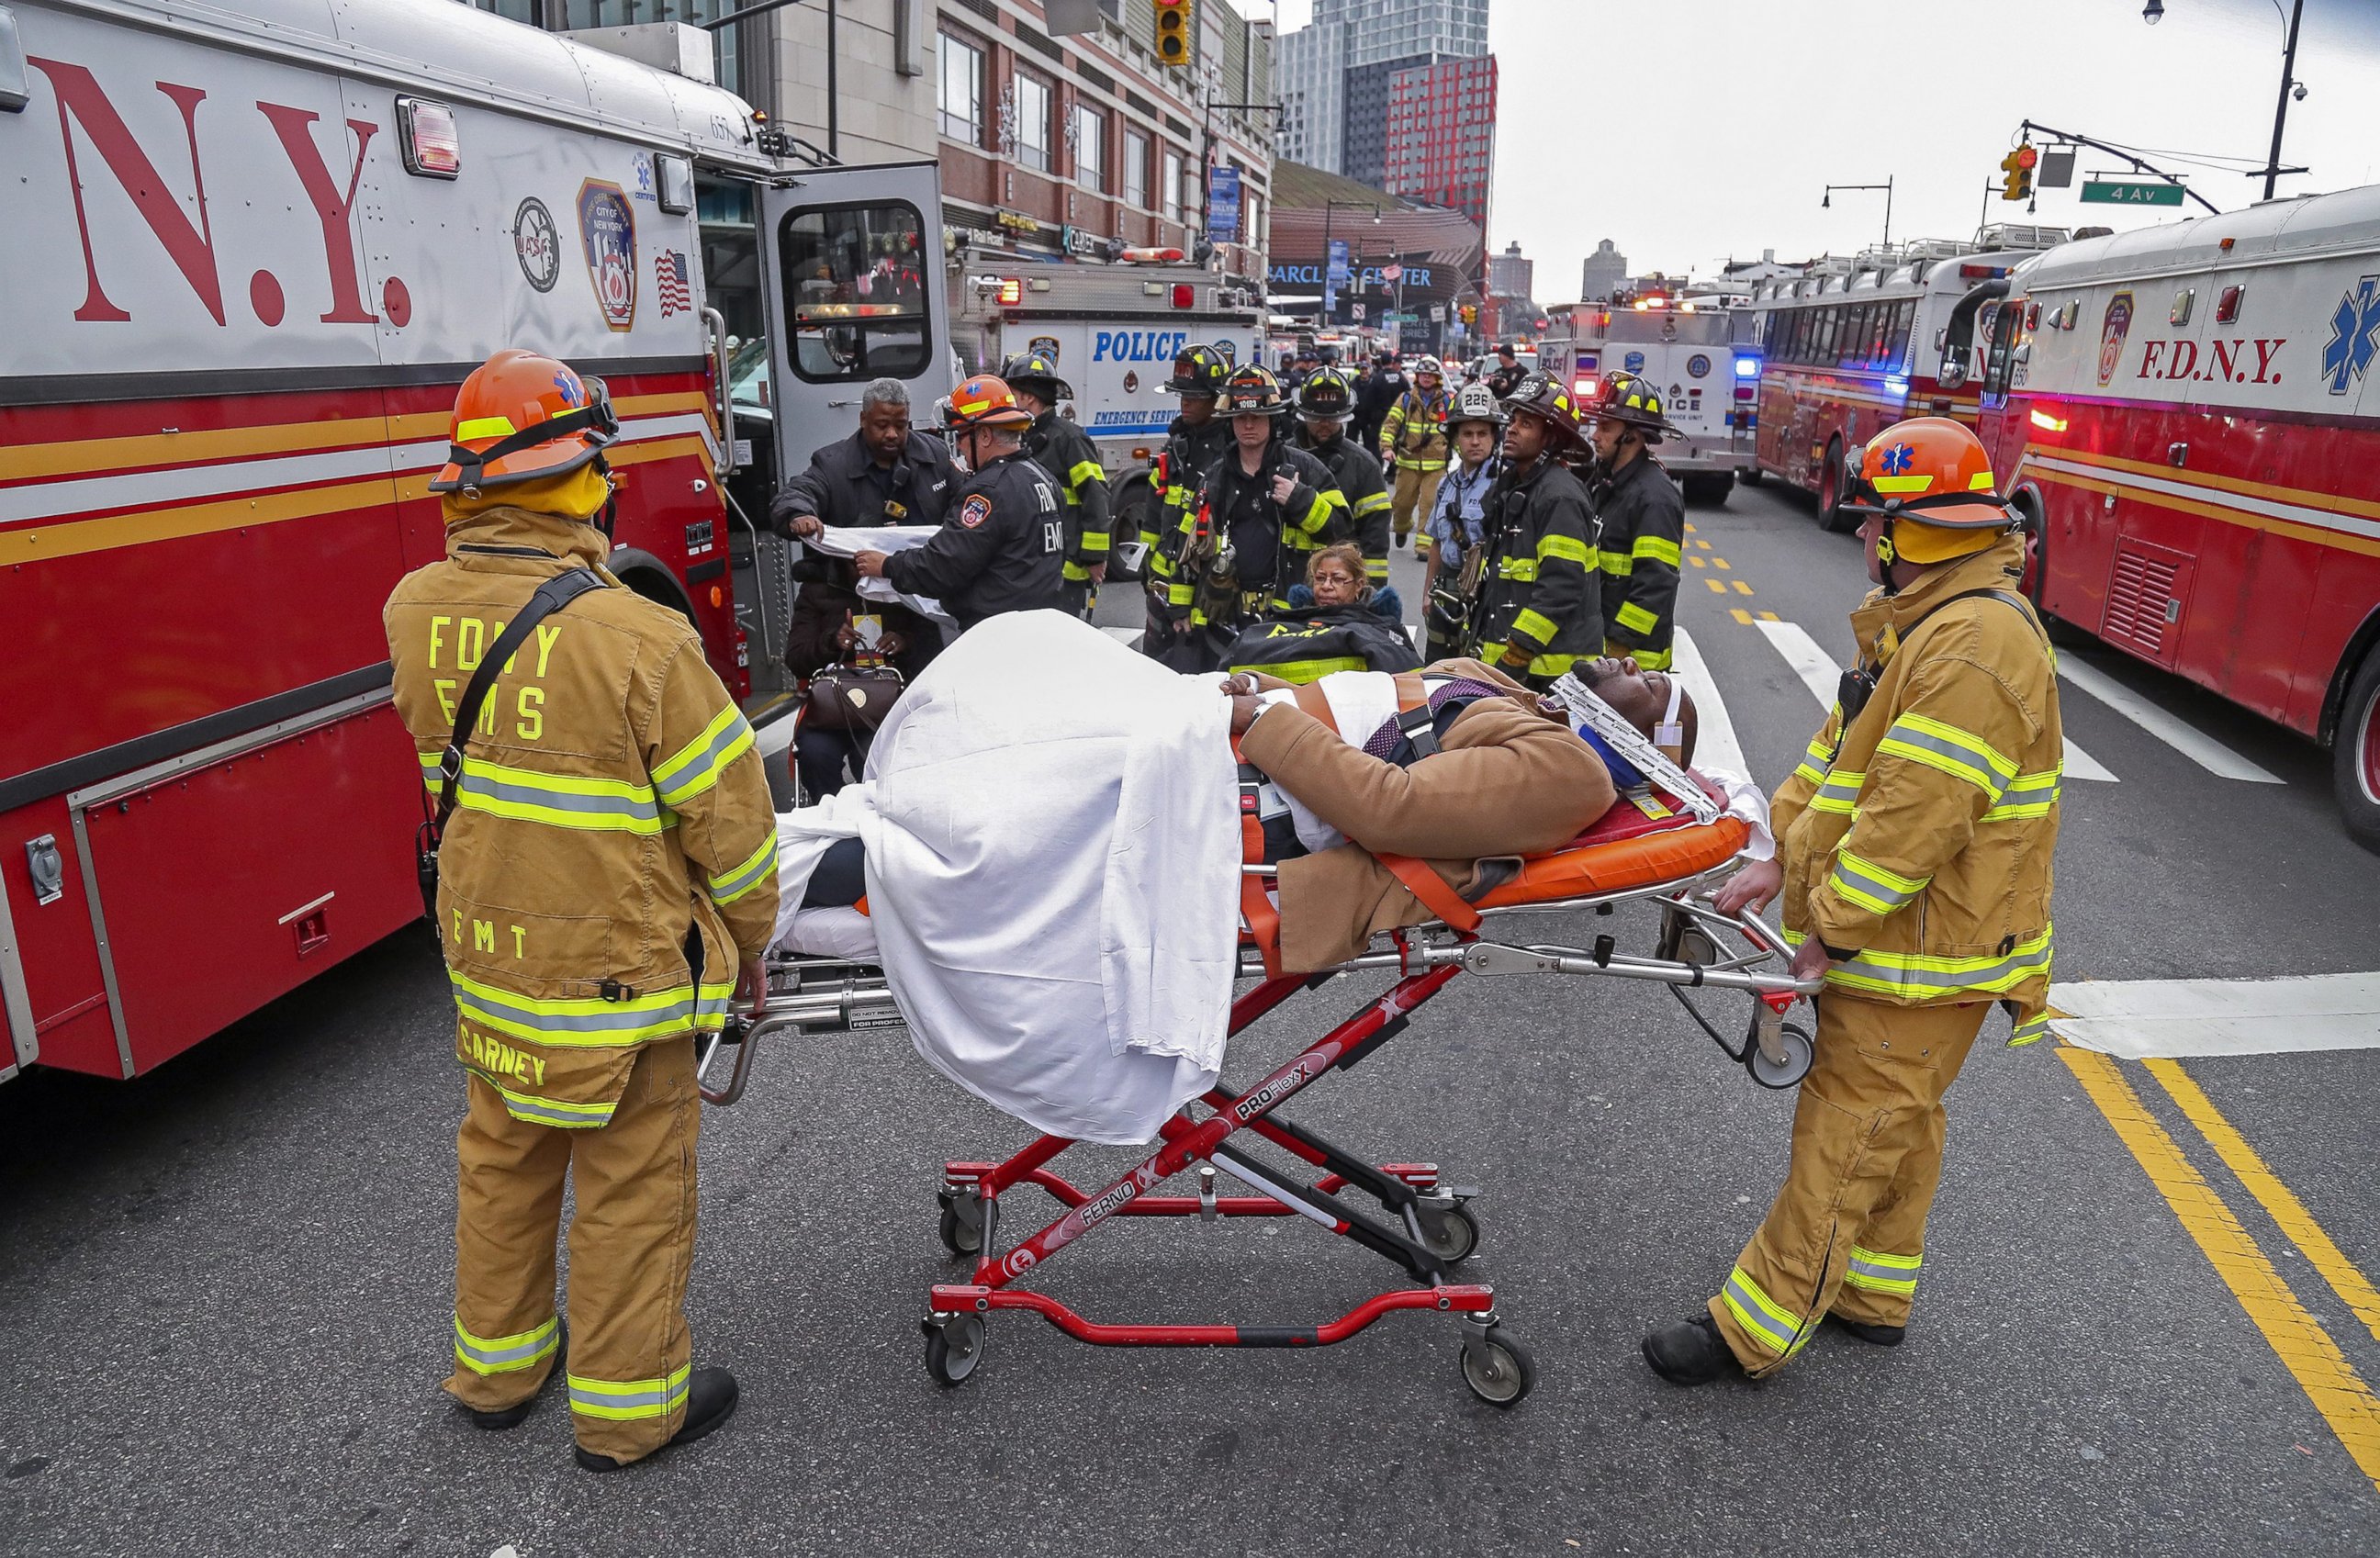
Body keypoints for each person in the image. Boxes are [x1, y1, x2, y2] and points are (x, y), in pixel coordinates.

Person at [384, 349, 778, 1472]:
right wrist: (750, 942)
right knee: (629, 1187)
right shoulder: (642, 638)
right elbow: (733, 827)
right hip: (620, 977)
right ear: (578, 478)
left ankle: (497, 1372)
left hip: (490, 958)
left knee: (502, 1161)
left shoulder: (414, 606)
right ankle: (627, 1411)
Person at [1642, 417, 2063, 1387]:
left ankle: (1753, 1329)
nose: (1865, 536)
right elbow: (1837, 770)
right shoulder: (1921, 624)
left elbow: (1910, 823)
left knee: (1852, 1129)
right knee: (1900, 1120)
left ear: (1913, 530)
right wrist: (1776, 862)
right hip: (1920, 944)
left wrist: (1826, 927)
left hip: (1923, 953)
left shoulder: (1971, 647)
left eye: (1878, 520)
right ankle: (1874, 1294)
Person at [773, 377, 953, 793]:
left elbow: (966, 507)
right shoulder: (833, 464)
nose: (892, 434)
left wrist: (906, 640)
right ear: (862, 421)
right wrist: (800, 514)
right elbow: (797, 493)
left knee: (890, 752)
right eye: (881, 425)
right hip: (841, 629)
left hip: (911, 603)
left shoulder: (936, 460)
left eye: (901, 425)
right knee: (820, 753)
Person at [1148, 365, 1346, 671]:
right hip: (1223, 618)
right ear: (1230, 422)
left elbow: (1341, 532)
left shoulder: (1305, 470)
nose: (1248, 426)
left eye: (1256, 418)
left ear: (1273, 420)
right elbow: (1189, 549)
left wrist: (1300, 500)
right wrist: (1179, 608)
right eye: (1241, 418)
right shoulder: (1215, 478)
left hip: (1288, 619)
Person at [853, 375, 1065, 629]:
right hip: (1042, 623)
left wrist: (886, 565)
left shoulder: (987, 491)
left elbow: (943, 567)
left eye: (962, 436)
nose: (961, 447)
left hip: (996, 631)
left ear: (984, 436)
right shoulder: (1042, 476)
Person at [1462, 373, 1603, 689]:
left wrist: (1518, 653)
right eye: (1513, 420)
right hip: (1514, 666)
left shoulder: (1560, 496)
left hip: (1549, 673)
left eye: (1526, 424)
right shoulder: (1514, 487)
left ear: (1551, 439)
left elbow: (1561, 585)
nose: (1511, 429)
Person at [1583, 371, 1687, 671]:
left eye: (1605, 427)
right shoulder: (1609, 484)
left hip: (1636, 667)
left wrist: (1619, 646)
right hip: (1605, 655)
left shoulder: (1654, 497)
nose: (1594, 435)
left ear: (1632, 434)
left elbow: (1656, 582)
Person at [1002, 351, 1112, 620]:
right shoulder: (1021, 436)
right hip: (1029, 568)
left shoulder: (1068, 439)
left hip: (1066, 571)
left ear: (1028, 396)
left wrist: (1095, 557)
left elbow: (1096, 495)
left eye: (1012, 393)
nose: (1007, 400)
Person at [1140, 344, 1239, 644]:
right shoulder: (1176, 446)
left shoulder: (1230, 453)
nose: (1186, 403)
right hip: (1161, 589)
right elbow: (1154, 512)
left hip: (1206, 591)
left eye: (1195, 397)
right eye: (1182, 395)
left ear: (1217, 399)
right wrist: (1148, 565)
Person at [1219, 542, 1420, 682]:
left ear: (1359, 585)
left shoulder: (1376, 630)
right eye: (1320, 578)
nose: (1326, 586)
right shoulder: (1287, 621)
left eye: (1338, 579)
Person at [1420, 383, 1507, 660]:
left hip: (1482, 597)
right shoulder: (1447, 484)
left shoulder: (1504, 486)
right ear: (1456, 439)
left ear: (1494, 437)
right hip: (1445, 593)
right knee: (1436, 670)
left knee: (1472, 673)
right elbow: (1437, 541)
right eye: (1467, 434)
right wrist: (1427, 593)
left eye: (1483, 433)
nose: (1475, 441)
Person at [1291, 366, 1393, 585]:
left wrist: (1371, 595)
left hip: (1340, 586)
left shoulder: (1364, 466)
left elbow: (1375, 539)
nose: (1325, 424)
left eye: (1332, 417)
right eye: (1317, 417)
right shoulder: (1284, 458)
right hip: (1289, 581)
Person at [1378, 354, 1454, 555]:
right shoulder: (1406, 399)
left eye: (1430, 375)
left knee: (1429, 505)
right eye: (1422, 374)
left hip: (1436, 465)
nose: (1426, 378)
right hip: (1408, 462)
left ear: (1437, 378)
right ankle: (1402, 528)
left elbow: (1457, 430)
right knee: (1401, 505)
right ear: (1417, 377)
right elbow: (1390, 425)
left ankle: (1423, 546)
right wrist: (1386, 447)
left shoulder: (1447, 401)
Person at [1353, 351, 1405, 454]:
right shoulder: (1401, 378)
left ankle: (1378, 468)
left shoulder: (1377, 379)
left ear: (1381, 362)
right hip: (1398, 420)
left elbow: (1368, 401)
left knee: (1375, 449)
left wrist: (1366, 421)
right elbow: (1408, 397)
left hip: (1379, 420)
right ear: (1392, 361)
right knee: (1397, 447)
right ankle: (1393, 469)